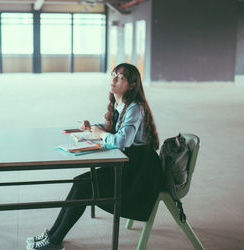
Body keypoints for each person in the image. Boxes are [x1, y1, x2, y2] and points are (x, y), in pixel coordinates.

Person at [26, 63, 163, 250]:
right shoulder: (120, 103)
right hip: (129, 163)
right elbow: (113, 128)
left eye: (120, 78)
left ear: (132, 85)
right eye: (114, 75)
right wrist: (93, 127)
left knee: (83, 187)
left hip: (139, 172)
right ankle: (52, 235)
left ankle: (54, 240)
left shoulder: (134, 108)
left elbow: (123, 140)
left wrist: (101, 133)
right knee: (79, 183)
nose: (114, 79)